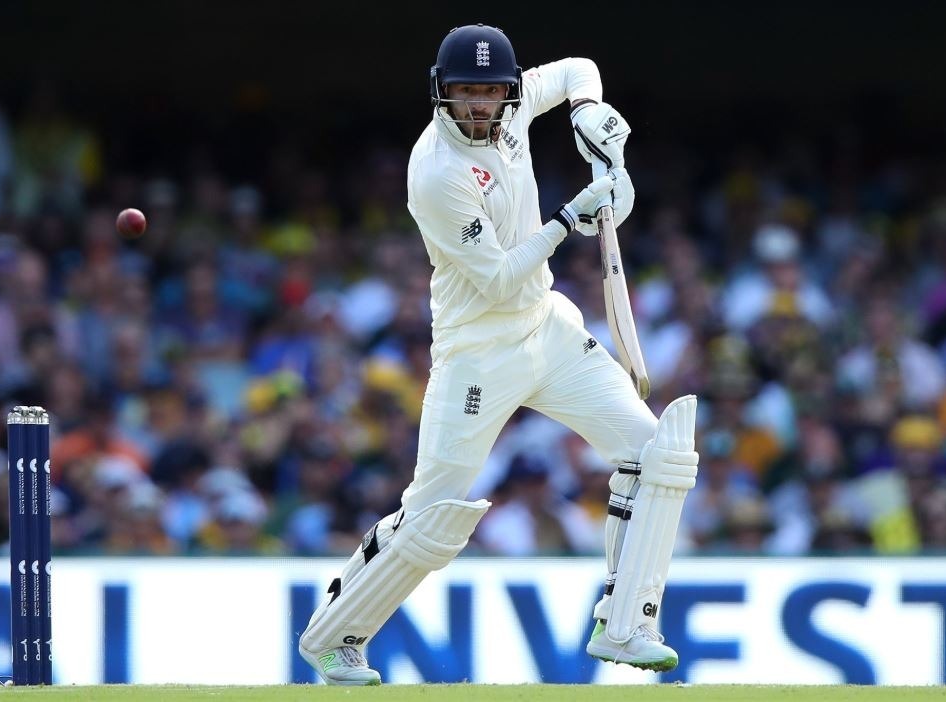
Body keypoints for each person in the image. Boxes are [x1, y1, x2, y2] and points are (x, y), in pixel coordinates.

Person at [299, 23, 700, 685]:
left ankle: (625, 622)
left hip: (548, 327)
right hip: (478, 352)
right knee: (435, 516)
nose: (481, 105)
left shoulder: (514, 109)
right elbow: (500, 277)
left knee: (657, 454)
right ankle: (334, 635)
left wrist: (591, 119)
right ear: (442, 94)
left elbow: (578, 67)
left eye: (491, 91)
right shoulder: (436, 171)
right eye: (466, 93)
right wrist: (572, 217)